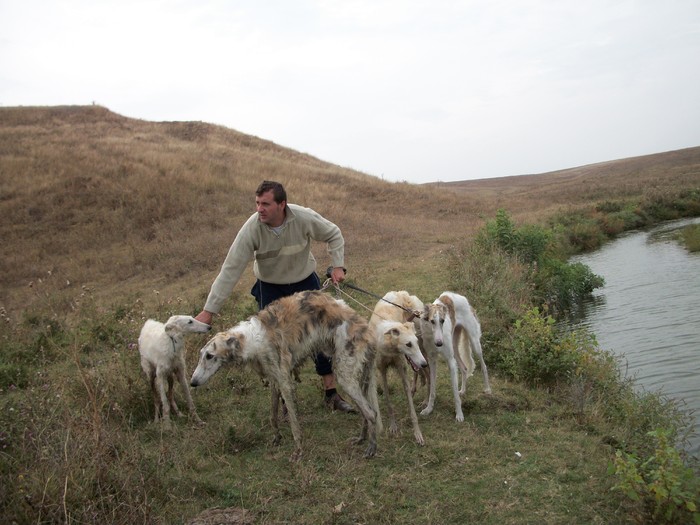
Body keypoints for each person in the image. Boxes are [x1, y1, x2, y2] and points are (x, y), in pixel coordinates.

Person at [195, 180, 355, 412]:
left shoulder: (303, 217)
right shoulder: (252, 228)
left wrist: (338, 265)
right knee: (275, 345)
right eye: (258, 203)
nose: (260, 209)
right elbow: (231, 269)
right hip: (270, 288)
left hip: (305, 284)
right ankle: (283, 400)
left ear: (282, 204)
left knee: (322, 336)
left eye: (266, 204)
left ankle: (331, 394)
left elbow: (334, 233)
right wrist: (209, 311)